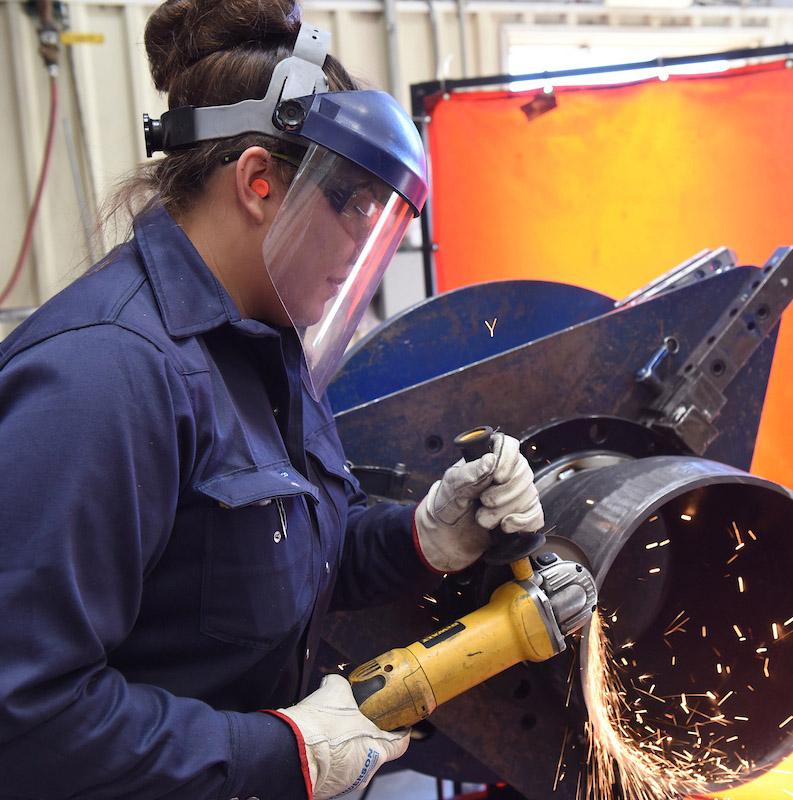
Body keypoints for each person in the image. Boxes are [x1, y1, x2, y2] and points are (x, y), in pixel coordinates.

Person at [0, 1, 545, 798]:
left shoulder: (262, 341)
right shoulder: (101, 379)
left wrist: (424, 538)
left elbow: (278, 559)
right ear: (259, 181)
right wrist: (277, 751)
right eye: (352, 205)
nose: (366, 247)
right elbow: (26, 715)